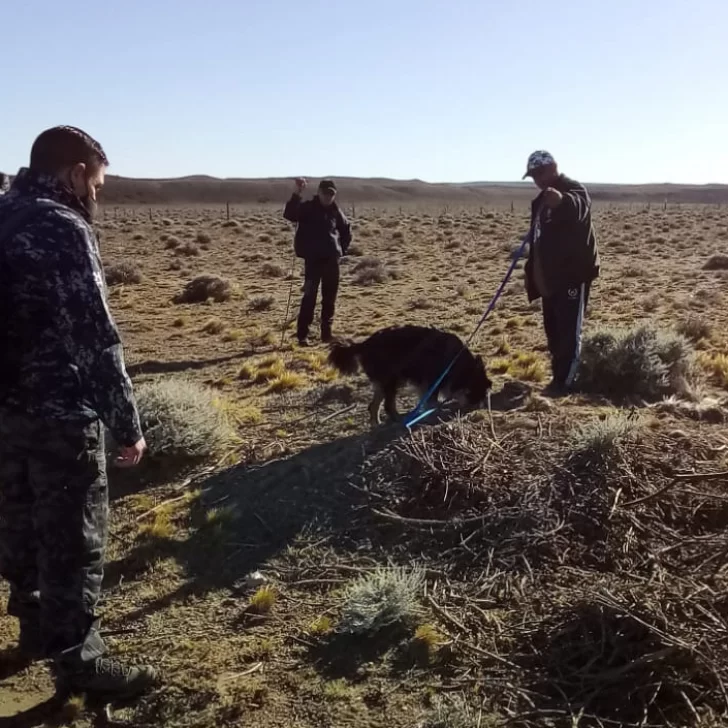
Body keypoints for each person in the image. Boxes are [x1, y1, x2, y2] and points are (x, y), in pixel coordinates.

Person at [0, 126, 156, 698]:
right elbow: (95, 337)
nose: (99, 192)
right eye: (98, 180)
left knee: (17, 526)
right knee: (72, 539)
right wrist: (127, 423)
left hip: (4, 411)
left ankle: (34, 629)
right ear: (75, 173)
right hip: (60, 415)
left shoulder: (6, 212)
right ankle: (81, 668)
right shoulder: (62, 227)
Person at [522, 150, 600, 396]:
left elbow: (577, 209)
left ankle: (566, 384)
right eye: (533, 175)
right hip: (548, 281)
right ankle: (558, 377)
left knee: (569, 332)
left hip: (572, 276)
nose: (537, 179)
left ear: (553, 167)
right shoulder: (539, 202)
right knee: (554, 331)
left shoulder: (573, 190)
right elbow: (538, 241)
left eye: (540, 173)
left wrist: (561, 201)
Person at [283, 177, 352, 346]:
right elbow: (290, 214)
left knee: (329, 298)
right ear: (319, 193)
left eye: (331, 194)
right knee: (309, 297)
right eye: (325, 193)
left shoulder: (336, 211)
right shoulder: (308, 208)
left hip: (331, 261)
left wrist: (340, 250)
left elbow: (346, 230)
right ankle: (302, 335)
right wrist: (297, 192)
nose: (328, 197)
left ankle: (326, 334)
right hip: (313, 261)